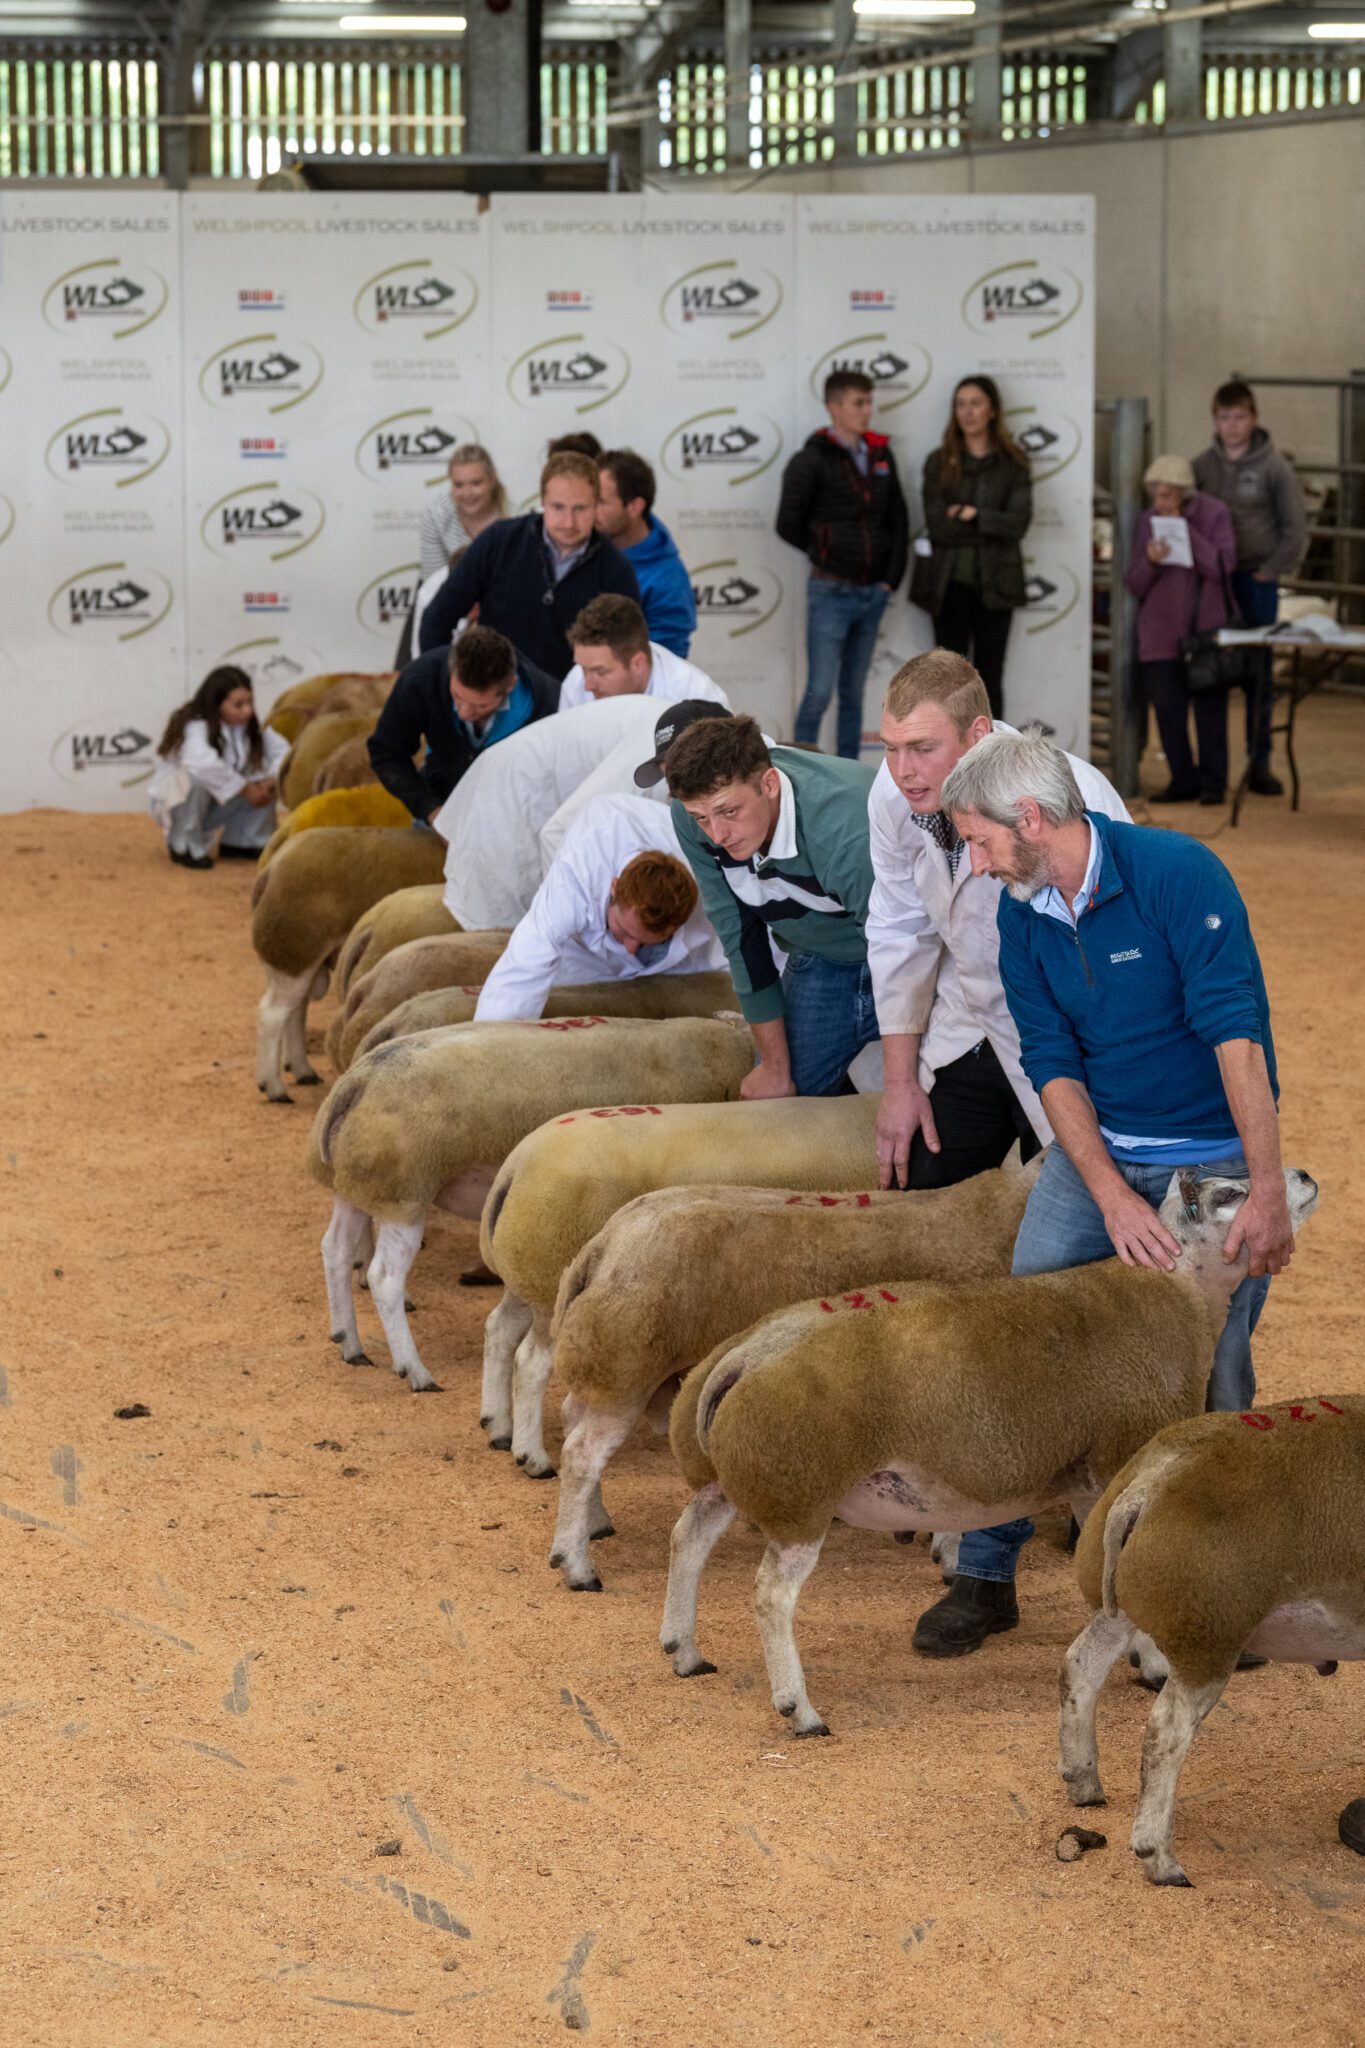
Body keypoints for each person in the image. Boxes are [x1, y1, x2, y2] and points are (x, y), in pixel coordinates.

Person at [913, 726, 1288, 1658]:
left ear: (1030, 817)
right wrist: (1110, 1194)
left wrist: (1263, 1190)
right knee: (1020, 1347)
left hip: (1208, 1154)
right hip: (1100, 1152)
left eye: (980, 841)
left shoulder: (1176, 874)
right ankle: (986, 1572)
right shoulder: (1019, 911)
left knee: (1213, 1370)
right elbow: (1049, 1061)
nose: (974, 862)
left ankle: (1217, 1590)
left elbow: (1235, 1036)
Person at [868, 651, 1129, 1196]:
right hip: (968, 1021)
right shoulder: (893, 796)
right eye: (890, 748)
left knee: (1069, 1215)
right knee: (916, 1194)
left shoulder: (1071, 794)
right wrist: (899, 1083)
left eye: (922, 748)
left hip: (1066, 1037)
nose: (902, 770)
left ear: (979, 735)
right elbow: (899, 931)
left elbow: (1113, 955)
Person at [664, 712, 878, 1098]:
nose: (717, 834)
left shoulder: (845, 831)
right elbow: (738, 933)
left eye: (730, 811)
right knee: (777, 1104)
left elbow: (902, 952)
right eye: (701, 818)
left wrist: (902, 1082)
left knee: (932, 1103)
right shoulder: (691, 815)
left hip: (918, 955)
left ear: (769, 784)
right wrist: (775, 1069)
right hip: (822, 955)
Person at [473, 794, 725, 1021]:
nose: (630, 948)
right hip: (586, 949)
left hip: (688, 956)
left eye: (647, 941)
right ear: (613, 887)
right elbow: (528, 957)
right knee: (556, 990)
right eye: (625, 931)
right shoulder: (577, 876)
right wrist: (490, 1042)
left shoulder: (713, 873)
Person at [431, 696, 662, 932]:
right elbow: (561, 831)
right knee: (502, 927)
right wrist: (579, 926)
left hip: (537, 785)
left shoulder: (672, 738)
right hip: (517, 795)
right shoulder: (652, 759)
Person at [777, 369, 908, 760]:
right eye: (858, 403)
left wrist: (889, 580)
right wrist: (827, 552)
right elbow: (787, 523)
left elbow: (899, 520)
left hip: (873, 592)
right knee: (819, 691)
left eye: (869, 402)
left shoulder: (881, 455)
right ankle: (800, 767)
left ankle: (850, 774)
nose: (867, 410)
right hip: (830, 590)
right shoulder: (810, 459)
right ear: (833, 407)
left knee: (854, 693)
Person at [417, 451, 639, 679]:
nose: (569, 522)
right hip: (494, 689)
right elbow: (437, 618)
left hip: (574, 695)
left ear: (596, 505)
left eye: (580, 508)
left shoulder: (616, 569)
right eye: (558, 507)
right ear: (542, 502)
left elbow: (625, 651)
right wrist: (446, 684)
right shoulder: (498, 542)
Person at [1193, 380, 1308, 797]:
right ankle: (1213, 770)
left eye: (1239, 417)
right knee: (1210, 670)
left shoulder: (1275, 468)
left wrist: (1270, 570)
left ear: (1254, 418)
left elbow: (1295, 526)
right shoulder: (1201, 467)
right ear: (1215, 421)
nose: (1232, 425)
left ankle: (1260, 763)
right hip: (1213, 582)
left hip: (1255, 580)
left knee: (1258, 674)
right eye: (1224, 417)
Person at [914, 376, 1032, 721]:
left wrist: (973, 515)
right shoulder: (938, 462)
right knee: (947, 681)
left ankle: (992, 750)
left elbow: (1018, 524)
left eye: (976, 403)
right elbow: (939, 526)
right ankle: (949, 749)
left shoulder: (1014, 463)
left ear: (993, 410)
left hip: (997, 586)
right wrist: (990, 525)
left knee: (990, 676)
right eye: (961, 404)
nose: (967, 412)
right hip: (947, 586)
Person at [1125, 455, 1238, 808]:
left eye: (1169, 494)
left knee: (1210, 710)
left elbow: (1222, 566)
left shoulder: (1214, 514)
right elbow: (1134, 583)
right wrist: (1151, 561)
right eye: (1157, 494)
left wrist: (1184, 532)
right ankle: (1182, 779)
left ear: (1186, 493)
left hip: (1204, 631)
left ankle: (1213, 782)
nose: (1161, 502)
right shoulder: (1148, 521)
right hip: (1160, 632)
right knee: (1168, 711)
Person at [367, 624, 559, 828]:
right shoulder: (421, 679)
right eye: (457, 697)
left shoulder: (550, 706)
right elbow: (387, 753)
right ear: (451, 671)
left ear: (511, 685)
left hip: (516, 820)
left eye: (481, 705)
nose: (465, 713)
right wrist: (432, 811)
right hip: (440, 804)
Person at [148, 666, 288, 869]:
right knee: (194, 780)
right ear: (216, 704)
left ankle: (244, 841)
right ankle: (183, 843)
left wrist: (270, 781)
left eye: (250, 702)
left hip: (215, 804)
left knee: (263, 776)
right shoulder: (194, 725)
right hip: (179, 806)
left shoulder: (251, 728)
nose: (247, 710)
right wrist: (245, 788)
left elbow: (284, 752)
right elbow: (201, 762)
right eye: (238, 705)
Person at [596, 449, 697, 659]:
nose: (589, 510)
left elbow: (663, 663)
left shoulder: (668, 580)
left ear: (635, 507)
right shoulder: (580, 547)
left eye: (601, 502)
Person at [557, 595, 727, 714]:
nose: (587, 685)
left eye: (600, 672)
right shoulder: (575, 684)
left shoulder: (699, 698)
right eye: (583, 668)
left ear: (637, 663)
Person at [418, 443, 507, 581]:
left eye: (476, 483)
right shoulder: (436, 513)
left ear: (492, 480)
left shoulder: (515, 517)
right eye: (458, 485)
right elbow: (433, 580)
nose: (467, 493)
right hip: (448, 590)